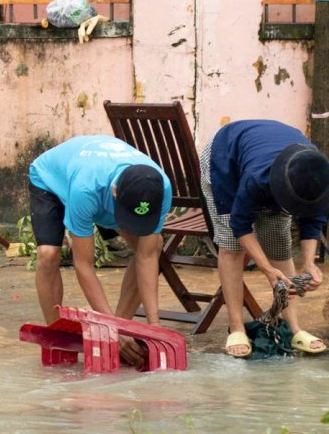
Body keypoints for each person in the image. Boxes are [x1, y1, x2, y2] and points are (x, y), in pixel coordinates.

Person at [29, 136, 173, 365]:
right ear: (115, 192)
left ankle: (118, 329)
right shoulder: (85, 189)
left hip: (103, 190)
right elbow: (84, 265)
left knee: (152, 245)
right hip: (52, 181)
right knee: (48, 255)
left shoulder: (161, 188)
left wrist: (153, 325)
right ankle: (57, 336)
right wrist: (110, 327)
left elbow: (147, 256)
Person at [200, 120, 329, 358]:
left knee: (280, 245)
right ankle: (237, 328)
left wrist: (309, 263)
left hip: (279, 163)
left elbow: (314, 219)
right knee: (230, 245)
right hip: (225, 157)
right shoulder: (256, 178)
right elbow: (239, 224)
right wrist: (267, 269)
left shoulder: (318, 181)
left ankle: (293, 329)